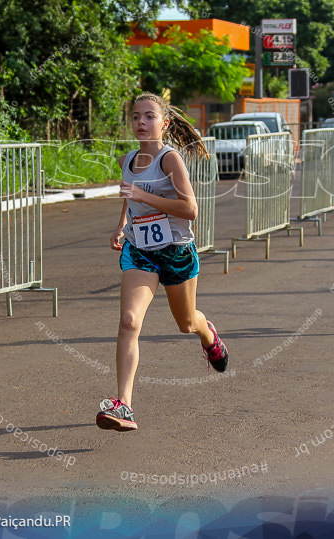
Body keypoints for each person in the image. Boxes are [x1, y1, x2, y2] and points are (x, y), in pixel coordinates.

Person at [96, 93, 228, 432]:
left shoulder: (170, 160)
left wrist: (144, 196)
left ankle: (208, 334)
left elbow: (190, 210)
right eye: (136, 116)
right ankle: (124, 405)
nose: (141, 122)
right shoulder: (127, 160)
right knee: (128, 321)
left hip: (177, 252)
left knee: (185, 323)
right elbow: (130, 198)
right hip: (140, 251)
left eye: (149, 116)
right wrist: (122, 226)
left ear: (164, 123)